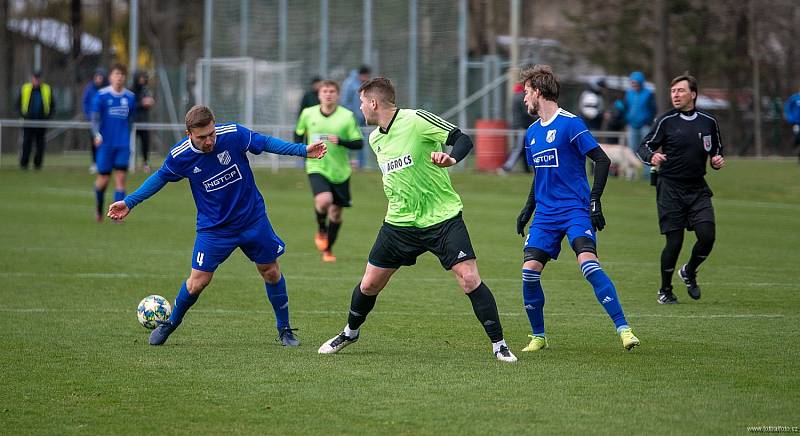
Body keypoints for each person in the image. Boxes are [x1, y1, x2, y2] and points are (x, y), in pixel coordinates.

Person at [317, 77, 517, 362]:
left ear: (373, 102)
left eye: (362, 102)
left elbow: (463, 138)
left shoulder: (416, 119)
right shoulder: (375, 139)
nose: (360, 108)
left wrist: (452, 158)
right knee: (369, 284)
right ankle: (350, 332)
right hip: (399, 223)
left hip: (442, 217)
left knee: (469, 279)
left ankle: (499, 344)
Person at [107, 105, 327, 346]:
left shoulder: (232, 134)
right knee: (198, 281)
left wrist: (302, 150)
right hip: (214, 229)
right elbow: (159, 178)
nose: (209, 140)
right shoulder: (181, 156)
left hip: (252, 219)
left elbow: (264, 143)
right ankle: (170, 324)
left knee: (271, 271)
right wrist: (129, 202)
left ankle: (285, 330)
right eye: (202, 137)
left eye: (211, 133)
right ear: (188, 134)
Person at [514, 65, 640, 352]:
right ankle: (538, 336)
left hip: (574, 210)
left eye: (526, 93)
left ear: (538, 92)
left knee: (587, 263)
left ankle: (624, 329)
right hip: (545, 215)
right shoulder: (532, 133)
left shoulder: (571, 124)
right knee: (529, 271)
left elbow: (602, 161)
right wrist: (527, 208)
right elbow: (539, 176)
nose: (524, 99)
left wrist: (595, 201)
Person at [636, 73, 725, 304]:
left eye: (681, 91)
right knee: (674, 242)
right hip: (669, 188)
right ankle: (665, 290)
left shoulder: (709, 121)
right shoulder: (666, 121)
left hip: (697, 188)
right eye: (673, 91)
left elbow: (716, 150)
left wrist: (716, 160)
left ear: (693, 94)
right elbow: (643, 146)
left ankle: (689, 271)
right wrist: (652, 156)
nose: (675, 95)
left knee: (708, 236)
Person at [294, 79, 364, 262]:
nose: (328, 94)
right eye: (325, 91)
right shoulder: (308, 114)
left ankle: (328, 249)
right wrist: (302, 149)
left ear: (337, 95)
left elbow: (358, 143)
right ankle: (321, 229)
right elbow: (298, 134)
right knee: (324, 201)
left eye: (332, 91)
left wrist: (340, 141)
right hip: (317, 166)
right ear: (319, 94)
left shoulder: (347, 116)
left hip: (340, 171)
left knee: (336, 213)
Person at [90, 64, 136, 222]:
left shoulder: (130, 97)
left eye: (122, 74)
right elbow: (95, 119)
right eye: (117, 74)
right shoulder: (101, 96)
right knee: (103, 179)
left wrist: (127, 136)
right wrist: (96, 134)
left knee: (121, 179)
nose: (119, 77)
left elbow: (131, 119)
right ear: (111, 77)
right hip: (106, 144)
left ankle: (118, 216)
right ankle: (99, 207)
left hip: (122, 144)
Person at [17, 70, 55, 170]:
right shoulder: (25, 88)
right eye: (35, 78)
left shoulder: (47, 89)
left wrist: (48, 117)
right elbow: (17, 104)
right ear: (32, 78)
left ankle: (37, 165)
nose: (37, 80)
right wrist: (23, 115)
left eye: (38, 78)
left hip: (41, 123)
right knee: (26, 144)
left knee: (40, 145)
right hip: (28, 122)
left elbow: (52, 105)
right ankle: (24, 164)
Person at [622, 71, 656, 178]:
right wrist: (626, 118)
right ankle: (631, 174)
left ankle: (647, 173)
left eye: (635, 82)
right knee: (632, 150)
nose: (633, 85)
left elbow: (653, 109)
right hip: (632, 125)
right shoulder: (629, 93)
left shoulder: (648, 94)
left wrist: (648, 121)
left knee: (645, 148)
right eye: (632, 83)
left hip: (645, 125)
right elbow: (626, 107)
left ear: (641, 82)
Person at [499, 82, 536, 174]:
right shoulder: (521, 98)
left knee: (523, 148)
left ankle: (526, 169)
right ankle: (506, 167)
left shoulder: (515, 97)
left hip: (518, 125)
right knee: (518, 148)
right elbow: (527, 112)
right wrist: (537, 117)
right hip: (522, 126)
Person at [82, 68, 108, 174]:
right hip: (94, 122)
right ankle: (94, 163)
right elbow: (85, 102)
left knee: (105, 142)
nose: (98, 79)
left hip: (105, 122)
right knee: (94, 142)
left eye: (100, 77)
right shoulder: (90, 88)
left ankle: (105, 163)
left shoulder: (107, 89)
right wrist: (89, 115)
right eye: (97, 77)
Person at [132, 71, 156, 172]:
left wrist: (150, 102)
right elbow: (131, 106)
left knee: (145, 142)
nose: (142, 80)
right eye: (140, 78)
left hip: (144, 121)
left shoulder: (146, 90)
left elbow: (149, 101)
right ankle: (130, 163)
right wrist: (141, 103)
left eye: (144, 78)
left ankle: (145, 163)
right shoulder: (132, 91)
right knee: (132, 143)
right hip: (133, 122)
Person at [783, 90, 800, 163]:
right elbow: (787, 108)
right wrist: (790, 118)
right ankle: (795, 146)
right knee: (798, 137)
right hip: (796, 123)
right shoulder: (794, 98)